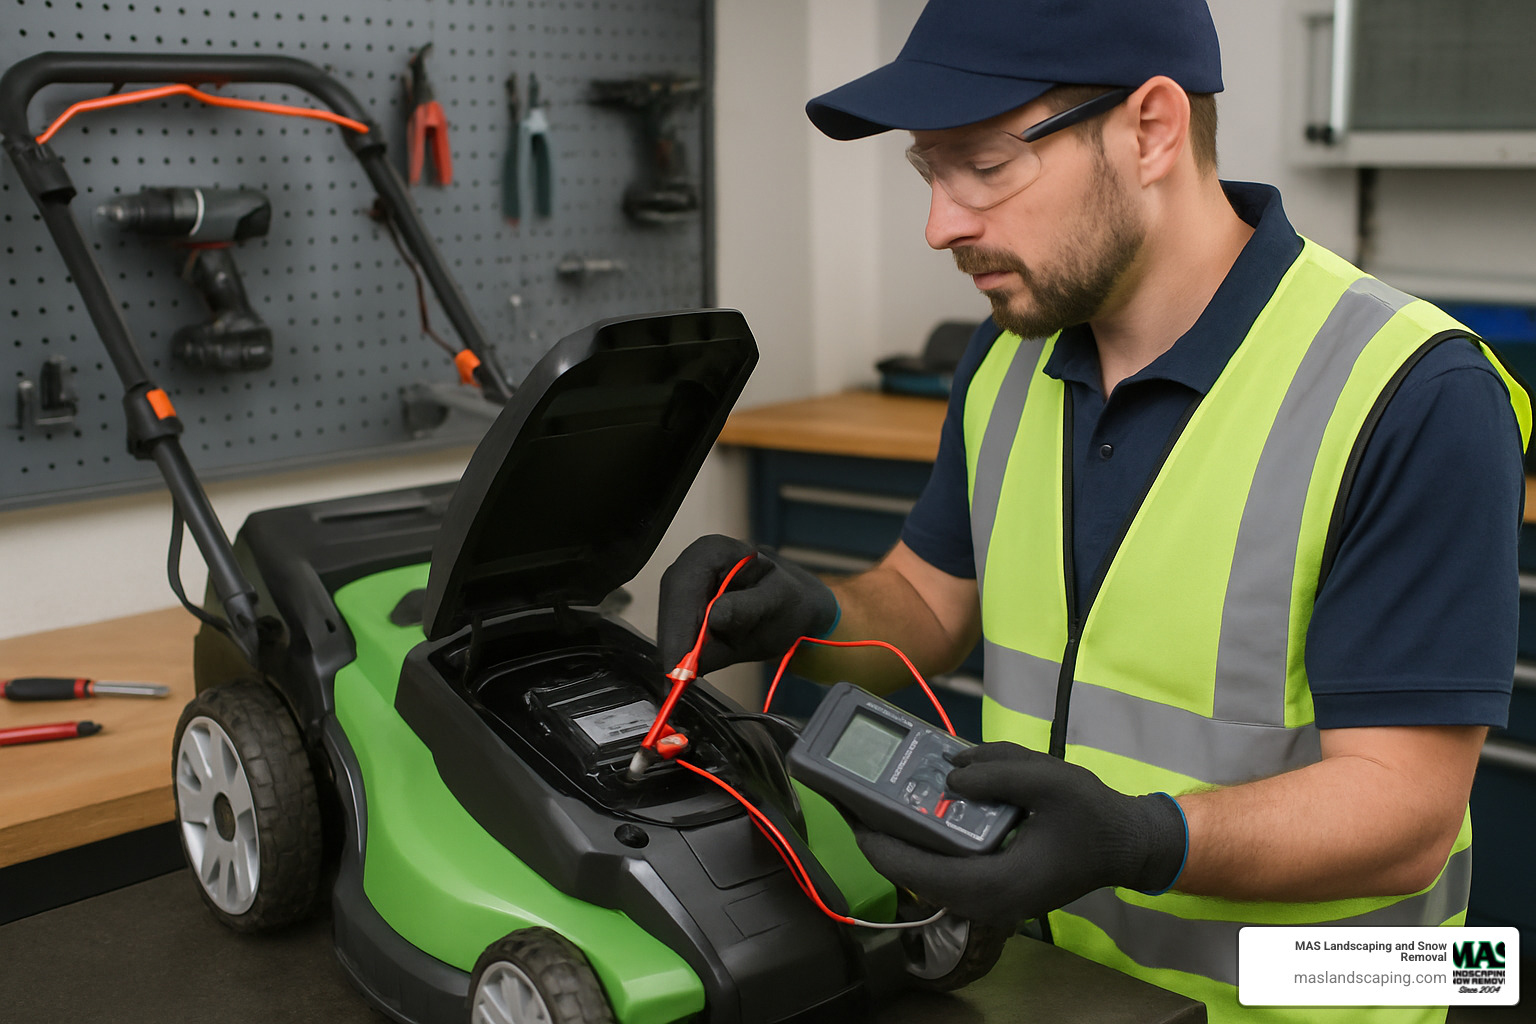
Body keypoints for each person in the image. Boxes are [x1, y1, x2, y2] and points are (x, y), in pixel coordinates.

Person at [657, 1, 1530, 1021]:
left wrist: (1134, 840)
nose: (942, 224)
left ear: (1152, 128)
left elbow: (1406, 812)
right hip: (1052, 984)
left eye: (983, 165)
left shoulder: (1410, 392)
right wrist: (810, 616)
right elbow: (926, 608)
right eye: (929, 172)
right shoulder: (1010, 354)